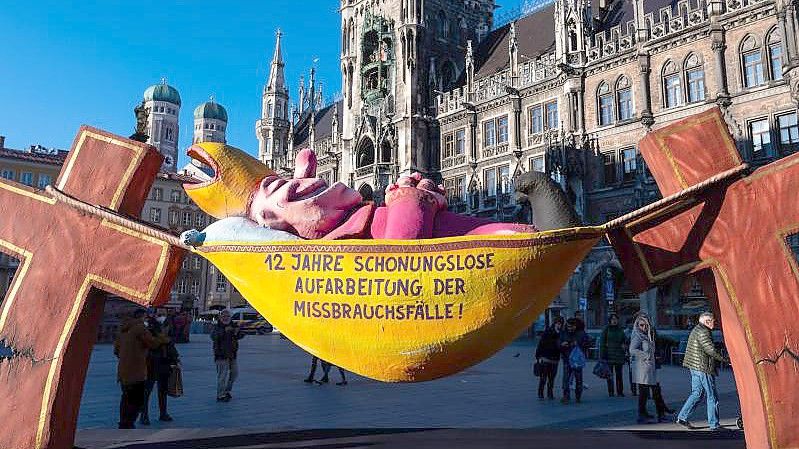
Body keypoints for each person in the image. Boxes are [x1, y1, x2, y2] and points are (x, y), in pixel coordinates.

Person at [676, 311, 729, 431]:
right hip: (703, 367)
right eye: (713, 321)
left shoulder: (697, 329)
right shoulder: (704, 331)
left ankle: (682, 417)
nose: (714, 324)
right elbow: (710, 350)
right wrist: (725, 359)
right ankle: (714, 425)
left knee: (697, 393)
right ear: (707, 321)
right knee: (712, 396)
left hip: (694, 367)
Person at [114, 309, 159, 429]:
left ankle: (123, 421)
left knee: (125, 396)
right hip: (137, 370)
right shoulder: (140, 328)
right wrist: (161, 337)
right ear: (141, 317)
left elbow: (116, 350)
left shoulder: (122, 329)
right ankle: (129, 422)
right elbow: (152, 344)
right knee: (137, 398)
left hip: (123, 370)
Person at [140, 314, 179, 425]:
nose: (167, 328)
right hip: (151, 364)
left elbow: (171, 349)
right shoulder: (151, 334)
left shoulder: (167, 337)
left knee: (162, 390)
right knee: (147, 391)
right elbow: (150, 346)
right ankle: (144, 415)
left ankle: (163, 413)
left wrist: (175, 359)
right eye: (165, 326)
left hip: (164, 365)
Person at [629, 314, 667, 423]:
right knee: (646, 392)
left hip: (649, 368)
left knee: (652, 391)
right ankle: (645, 415)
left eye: (646, 325)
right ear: (637, 325)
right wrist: (646, 356)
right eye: (641, 325)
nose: (644, 327)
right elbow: (632, 350)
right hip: (642, 369)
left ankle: (651, 413)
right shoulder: (638, 336)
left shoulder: (649, 335)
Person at [211, 309, 245, 402]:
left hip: (232, 354)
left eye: (227, 316)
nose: (225, 318)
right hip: (221, 355)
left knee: (234, 374)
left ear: (230, 317)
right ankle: (220, 395)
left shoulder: (233, 325)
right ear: (220, 317)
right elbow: (213, 337)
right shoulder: (217, 326)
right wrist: (224, 331)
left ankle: (226, 391)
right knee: (222, 376)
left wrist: (238, 331)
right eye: (223, 316)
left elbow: (241, 336)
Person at [560, 318, 590, 404]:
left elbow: (587, 343)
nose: (569, 328)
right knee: (566, 379)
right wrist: (562, 345)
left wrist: (579, 345)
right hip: (567, 358)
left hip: (577, 360)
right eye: (568, 326)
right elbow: (558, 343)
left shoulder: (581, 333)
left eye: (571, 327)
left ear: (575, 326)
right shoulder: (564, 333)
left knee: (578, 379)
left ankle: (578, 396)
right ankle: (566, 396)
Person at [535, 317, 563, 400]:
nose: (559, 325)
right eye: (558, 323)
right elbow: (541, 344)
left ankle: (550, 393)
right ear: (555, 323)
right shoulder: (548, 332)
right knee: (543, 377)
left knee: (552, 378)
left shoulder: (561, 333)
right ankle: (541, 393)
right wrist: (538, 356)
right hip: (546, 358)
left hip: (555, 359)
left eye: (560, 324)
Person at [600, 313, 626, 397]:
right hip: (609, 354)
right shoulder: (606, 329)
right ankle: (611, 391)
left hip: (619, 354)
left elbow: (624, 340)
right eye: (613, 319)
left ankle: (620, 391)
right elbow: (602, 343)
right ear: (610, 320)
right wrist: (602, 355)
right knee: (609, 375)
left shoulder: (620, 329)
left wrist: (624, 344)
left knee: (619, 374)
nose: (614, 321)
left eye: (616, 319)